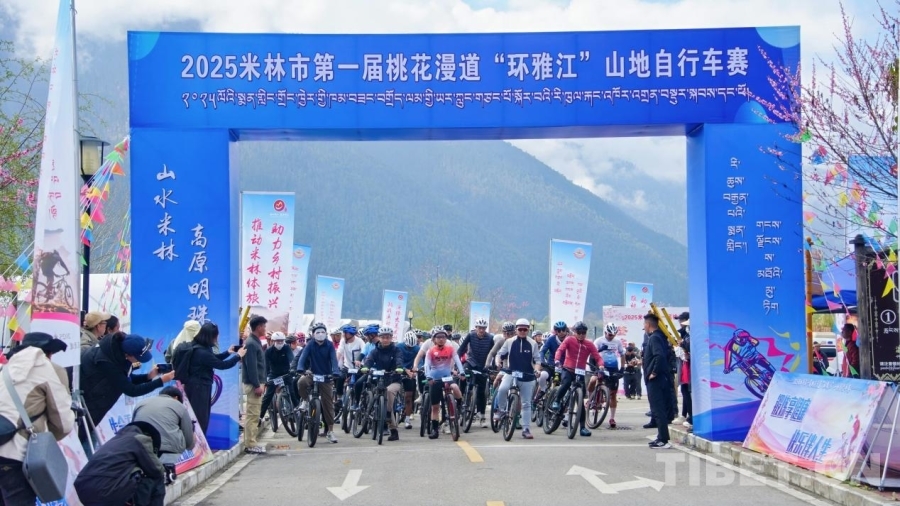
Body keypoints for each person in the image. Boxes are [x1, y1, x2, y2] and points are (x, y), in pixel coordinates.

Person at [0, 332, 74, 506]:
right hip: (17, 452)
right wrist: (43, 440)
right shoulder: (50, 369)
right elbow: (64, 423)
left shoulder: (6, 368)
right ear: (49, 352)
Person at [80, 333, 174, 428]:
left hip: (95, 402)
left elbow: (126, 378)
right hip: (87, 403)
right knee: (84, 432)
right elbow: (131, 390)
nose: (138, 361)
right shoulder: (106, 362)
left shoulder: (117, 353)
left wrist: (148, 377)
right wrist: (160, 381)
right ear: (128, 355)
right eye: (138, 358)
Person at [173, 322, 244, 434]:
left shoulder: (199, 348)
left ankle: (196, 440)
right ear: (211, 336)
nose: (218, 338)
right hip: (199, 388)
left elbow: (213, 359)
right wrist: (238, 356)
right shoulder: (202, 352)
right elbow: (222, 365)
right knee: (200, 418)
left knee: (197, 416)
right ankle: (198, 441)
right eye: (217, 335)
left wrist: (228, 353)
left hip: (195, 386)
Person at [74, 420, 165, 506]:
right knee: (158, 478)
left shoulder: (115, 440)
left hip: (82, 490)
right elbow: (156, 469)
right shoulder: (140, 439)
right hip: (106, 491)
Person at [552, 321, 602, 437]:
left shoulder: (589, 344)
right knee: (566, 383)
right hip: (568, 369)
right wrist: (557, 360)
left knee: (580, 401)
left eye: (583, 332)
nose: (581, 335)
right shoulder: (569, 340)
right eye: (579, 332)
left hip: (580, 372)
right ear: (574, 332)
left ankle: (582, 428)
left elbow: (598, 357)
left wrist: (601, 367)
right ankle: (557, 400)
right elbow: (560, 350)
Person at [295, 322, 341, 443]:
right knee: (301, 382)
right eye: (318, 332)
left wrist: (335, 371)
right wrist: (300, 368)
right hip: (312, 374)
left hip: (326, 377)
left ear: (326, 333)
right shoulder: (310, 344)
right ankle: (305, 400)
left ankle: (330, 431)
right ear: (313, 334)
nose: (320, 334)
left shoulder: (329, 345)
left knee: (328, 404)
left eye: (322, 332)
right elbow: (303, 357)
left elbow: (333, 359)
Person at [495, 319, 541, 439]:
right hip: (511, 372)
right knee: (502, 389)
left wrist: (537, 370)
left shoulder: (533, 343)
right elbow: (500, 354)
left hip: (527, 375)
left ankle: (526, 429)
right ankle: (501, 410)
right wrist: (498, 363)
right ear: (516, 330)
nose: (522, 331)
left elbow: (537, 360)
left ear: (528, 330)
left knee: (526, 403)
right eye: (520, 329)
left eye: (525, 329)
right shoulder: (509, 342)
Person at [419, 327, 465, 439]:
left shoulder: (450, 349)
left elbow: (458, 361)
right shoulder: (430, 351)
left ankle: (460, 406)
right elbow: (427, 365)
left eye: (443, 337)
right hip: (435, 379)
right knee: (435, 407)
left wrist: (462, 372)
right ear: (434, 339)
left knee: (455, 387)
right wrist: (428, 376)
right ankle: (435, 430)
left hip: (447, 377)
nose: (441, 339)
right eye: (438, 337)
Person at [361, 327, 405, 441]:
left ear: (391, 338)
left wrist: (399, 368)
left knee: (389, 392)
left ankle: (392, 428)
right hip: (380, 379)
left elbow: (399, 360)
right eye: (383, 337)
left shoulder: (396, 350)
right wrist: (366, 367)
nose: (385, 340)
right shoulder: (375, 351)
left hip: (394, 379)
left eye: (388, 337)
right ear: (379, 338)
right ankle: (370, 412)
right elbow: (369, 360)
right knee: (374, 392)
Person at [457, 318, 493, 428]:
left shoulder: (490, 338)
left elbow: (493, 353)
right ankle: (460, 399)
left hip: (483, 366)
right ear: (476, 328)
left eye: (483, 328)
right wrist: (456, 364)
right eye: (479, 328)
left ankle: (481, 416)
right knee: (463, 377)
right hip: (470, 363)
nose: (481, 330)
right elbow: (461, 350)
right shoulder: (471, 335)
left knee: (482, 392)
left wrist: (492, 367)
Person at [643, 313, 673, 449]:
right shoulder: (660, 337)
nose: (644, 327)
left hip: (656, 379)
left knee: (657, 409)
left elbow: (659, 356)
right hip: (662, 378)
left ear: (648, 324)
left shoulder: (654, 338)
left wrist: (653, 372)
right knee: (659, 408)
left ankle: (663, 439)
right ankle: (662, 436)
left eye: (644, 324)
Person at [590, 322, 624, 428]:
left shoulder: (617, 341)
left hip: (613, 367)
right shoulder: (598, 341)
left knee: (613, 394)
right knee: (593, 380)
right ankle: (591, 399)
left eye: (613, 335)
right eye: (609, 334)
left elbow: (622, 354)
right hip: (600, 365)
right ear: (605, 332)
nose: (611, 336)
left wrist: (622, 368)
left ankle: (612, 418)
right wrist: (593, 367)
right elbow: (592, 354)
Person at [242, 315, 267, 454]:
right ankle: (250, 444)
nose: (265, 328)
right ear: (258, 327)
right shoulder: (251, 343)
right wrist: (257, 385)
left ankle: (251, 442)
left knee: (254, 414)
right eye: (264, 326)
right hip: (253, 385)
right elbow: (251, 366)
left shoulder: (255, 342)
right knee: (253, 415)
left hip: (257, 383)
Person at [397, 331, 420, 429]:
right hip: (399, 370)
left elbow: (420, 360)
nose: (410, 348)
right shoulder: (398, 347)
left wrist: (417, 369)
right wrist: (404, 369)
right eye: (408, 347)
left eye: (412, 347)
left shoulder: (417, 348)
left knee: (409, 396)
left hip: (411, 372)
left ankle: (407, 419)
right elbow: (396, 360)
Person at [538, 321, 567, 394]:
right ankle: (543, 390)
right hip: (551, 365)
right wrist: (542, 361)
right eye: (559, 330)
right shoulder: (551, 339)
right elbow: (542, 351)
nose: (561, 332)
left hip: (564, 367)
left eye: (563, 330)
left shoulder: (570, 340)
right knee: (542, 376)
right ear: (556, 331)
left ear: (566, 330)